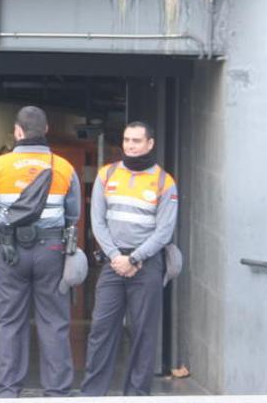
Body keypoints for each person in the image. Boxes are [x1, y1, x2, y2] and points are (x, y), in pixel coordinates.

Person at [0, 106, 81, 398]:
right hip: (52, 250)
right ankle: (57, 390)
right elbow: (73, 214)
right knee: (54, 321)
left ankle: (8, 389)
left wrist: (0, 234)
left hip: (11, 250)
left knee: (9, 321)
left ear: (17, 132)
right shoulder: (63, 167)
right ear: (46, 130)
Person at [80, 121, 179, 396]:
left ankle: (136, 395)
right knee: (101, 330)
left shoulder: (164, 182)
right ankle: (92, 394)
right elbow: (97, 221)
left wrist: (134, 258)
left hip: (147, 266)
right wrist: (115, 256)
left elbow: (164, 231)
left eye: (136, 141)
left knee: (143, 334)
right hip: (114, 264)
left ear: (150, 144)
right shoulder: (107, 174)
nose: (130, 146)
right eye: (126, 140)